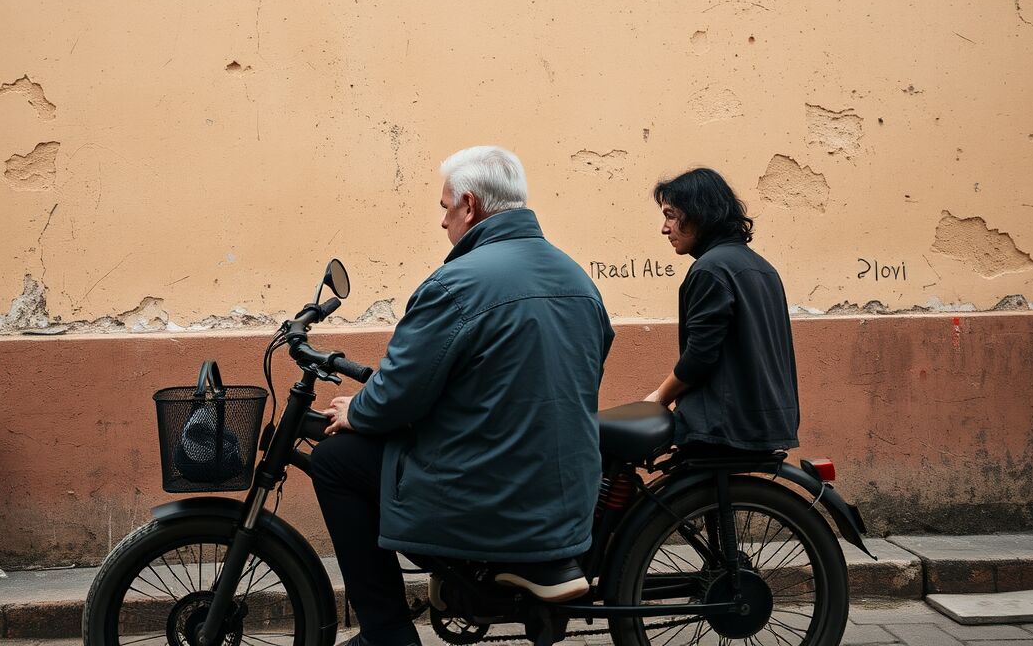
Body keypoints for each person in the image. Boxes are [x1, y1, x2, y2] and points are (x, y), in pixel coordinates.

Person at [311, 146, 614, 646]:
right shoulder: (577, 278)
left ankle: (386, 633)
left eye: (444, 206)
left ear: (469, 206)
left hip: (491, 496)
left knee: (335, 460)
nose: (442, 222)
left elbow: (398, 395)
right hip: (563, 499)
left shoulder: (456, 283)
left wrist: (357, 410)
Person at [643, 167, 800, 454]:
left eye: (670, 215)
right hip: (766, 422)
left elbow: (700, 354)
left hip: (722, 426)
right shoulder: (762, 268)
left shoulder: (711, 269)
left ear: (699, 213)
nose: (664, 228)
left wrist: (658, 397)